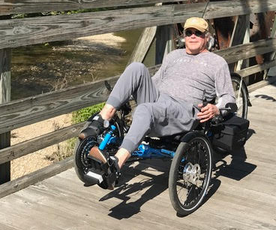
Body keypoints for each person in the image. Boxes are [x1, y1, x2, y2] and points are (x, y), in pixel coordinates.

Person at [80, 16, 236, 188]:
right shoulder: (173, 56)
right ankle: (102, 119)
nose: (192, 36)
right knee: (136, 67)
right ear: (184, 35)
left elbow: (229, 97)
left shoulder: (216, 62)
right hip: (160, 100)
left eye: (198, 33)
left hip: (184, 109)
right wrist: (128, 94)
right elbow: (154, 82)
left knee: (145, 110)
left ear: (207, 37)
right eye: (189, 32)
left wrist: (217, 109)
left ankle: (116, 163)